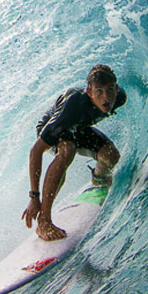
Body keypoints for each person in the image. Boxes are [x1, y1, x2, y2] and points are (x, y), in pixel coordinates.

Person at [21, 64, 127, 241]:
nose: (106, 97)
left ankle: (99, 179)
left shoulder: (120, 98)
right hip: (55, 126)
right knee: (67, 150)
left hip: (79, 127)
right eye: (99, 92)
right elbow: (35, 151)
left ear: (116, 88)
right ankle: (44, 221)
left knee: (111, 155)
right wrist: (34, 197)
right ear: (89, 92)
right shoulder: (74, 107)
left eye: (110, 90)